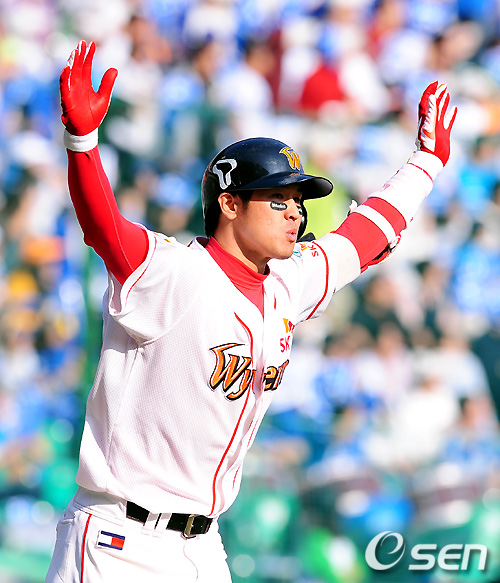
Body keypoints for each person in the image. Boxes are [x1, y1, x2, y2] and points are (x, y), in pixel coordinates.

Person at [46, 40, 456, 582]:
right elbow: (104, 228)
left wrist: (426, 163)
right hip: (119, 539)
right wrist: (82, 144)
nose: (295, 214)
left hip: (202, 545)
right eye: (278, 199)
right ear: (229, 203)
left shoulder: (287, 283)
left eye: (299, 202)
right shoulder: (175, 273)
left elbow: (365, 235)